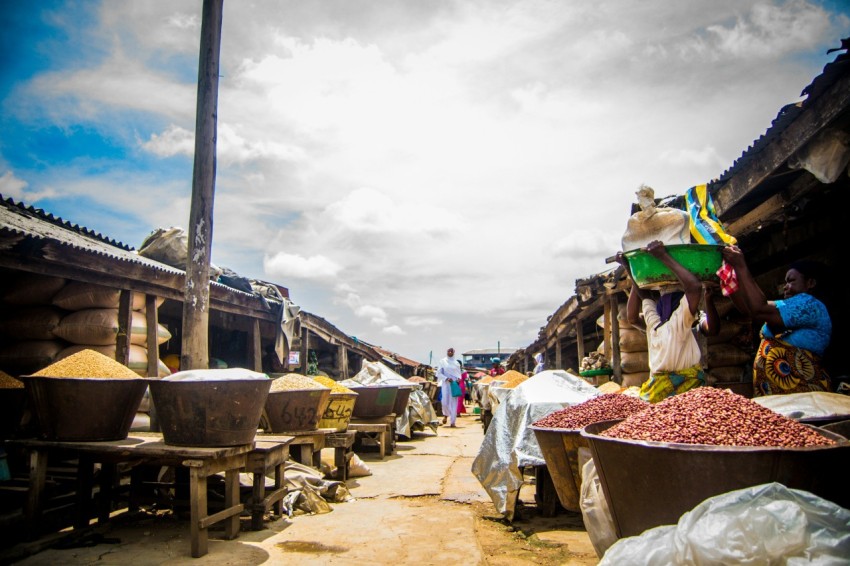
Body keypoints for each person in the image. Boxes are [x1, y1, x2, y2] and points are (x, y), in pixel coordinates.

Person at [616, 240, 720, 403]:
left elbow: (693, 289)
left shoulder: (676, 322)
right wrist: (630, 268)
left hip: (682, 394)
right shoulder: (656, 324)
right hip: (659, 392)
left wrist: (661, 256)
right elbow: (641, 303)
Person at [720, 245, 832, 396]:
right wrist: (728, 282)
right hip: (783, 399)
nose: (786, 287)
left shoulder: (810, 305)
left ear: (810, 283)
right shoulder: (787, 312)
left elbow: (759, 308)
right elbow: (750, 310)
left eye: (791, 281)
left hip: (805, 397)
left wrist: (741, 266)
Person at [435, 347, 463, 427]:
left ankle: (453, 422)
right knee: (444, 402)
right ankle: (445, 415)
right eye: (449, 351)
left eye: (451, 351)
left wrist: (458, 380)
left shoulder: (456, 363)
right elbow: (438, 373)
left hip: (454, 385)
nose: (450, 352)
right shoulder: (442, 361)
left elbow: (459, 375)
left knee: (454, 402)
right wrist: (446, 378)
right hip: (446, 384)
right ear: (447, 352)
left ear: (454, 352)